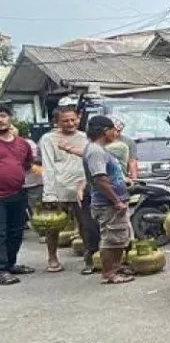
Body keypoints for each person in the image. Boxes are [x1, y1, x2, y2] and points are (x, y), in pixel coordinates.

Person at [81, 115, 133, 285]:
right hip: (107, 204)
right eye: (113, 130)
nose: (115, 133)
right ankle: (109, 273)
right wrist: (116, 200)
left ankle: (114, 269)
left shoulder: (99, 150)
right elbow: (100, 179)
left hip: (110, 201)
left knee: (117, 238)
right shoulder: (96, 151)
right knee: (111, 239)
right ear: (105, 131)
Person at [38, 106, 89, 273]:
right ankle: (52, 258)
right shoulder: (48, 139)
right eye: (65, 121)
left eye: (73, 119)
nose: (70, 123)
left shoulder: (85, 137)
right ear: (57, 122)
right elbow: (48, 166)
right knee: (53, 226)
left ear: (78, 119)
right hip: (58, 188)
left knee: (86, 224)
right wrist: (49, 193)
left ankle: (90, 258)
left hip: (81, 187)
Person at [0, 102, 34, 285]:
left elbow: (27, 165)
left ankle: (11, 263)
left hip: (18, 194)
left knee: (16, 231)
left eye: (3, 115)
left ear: (10, 118)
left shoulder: (23, 144)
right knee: (1, 233)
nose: (0, 119)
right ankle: (1, 269)